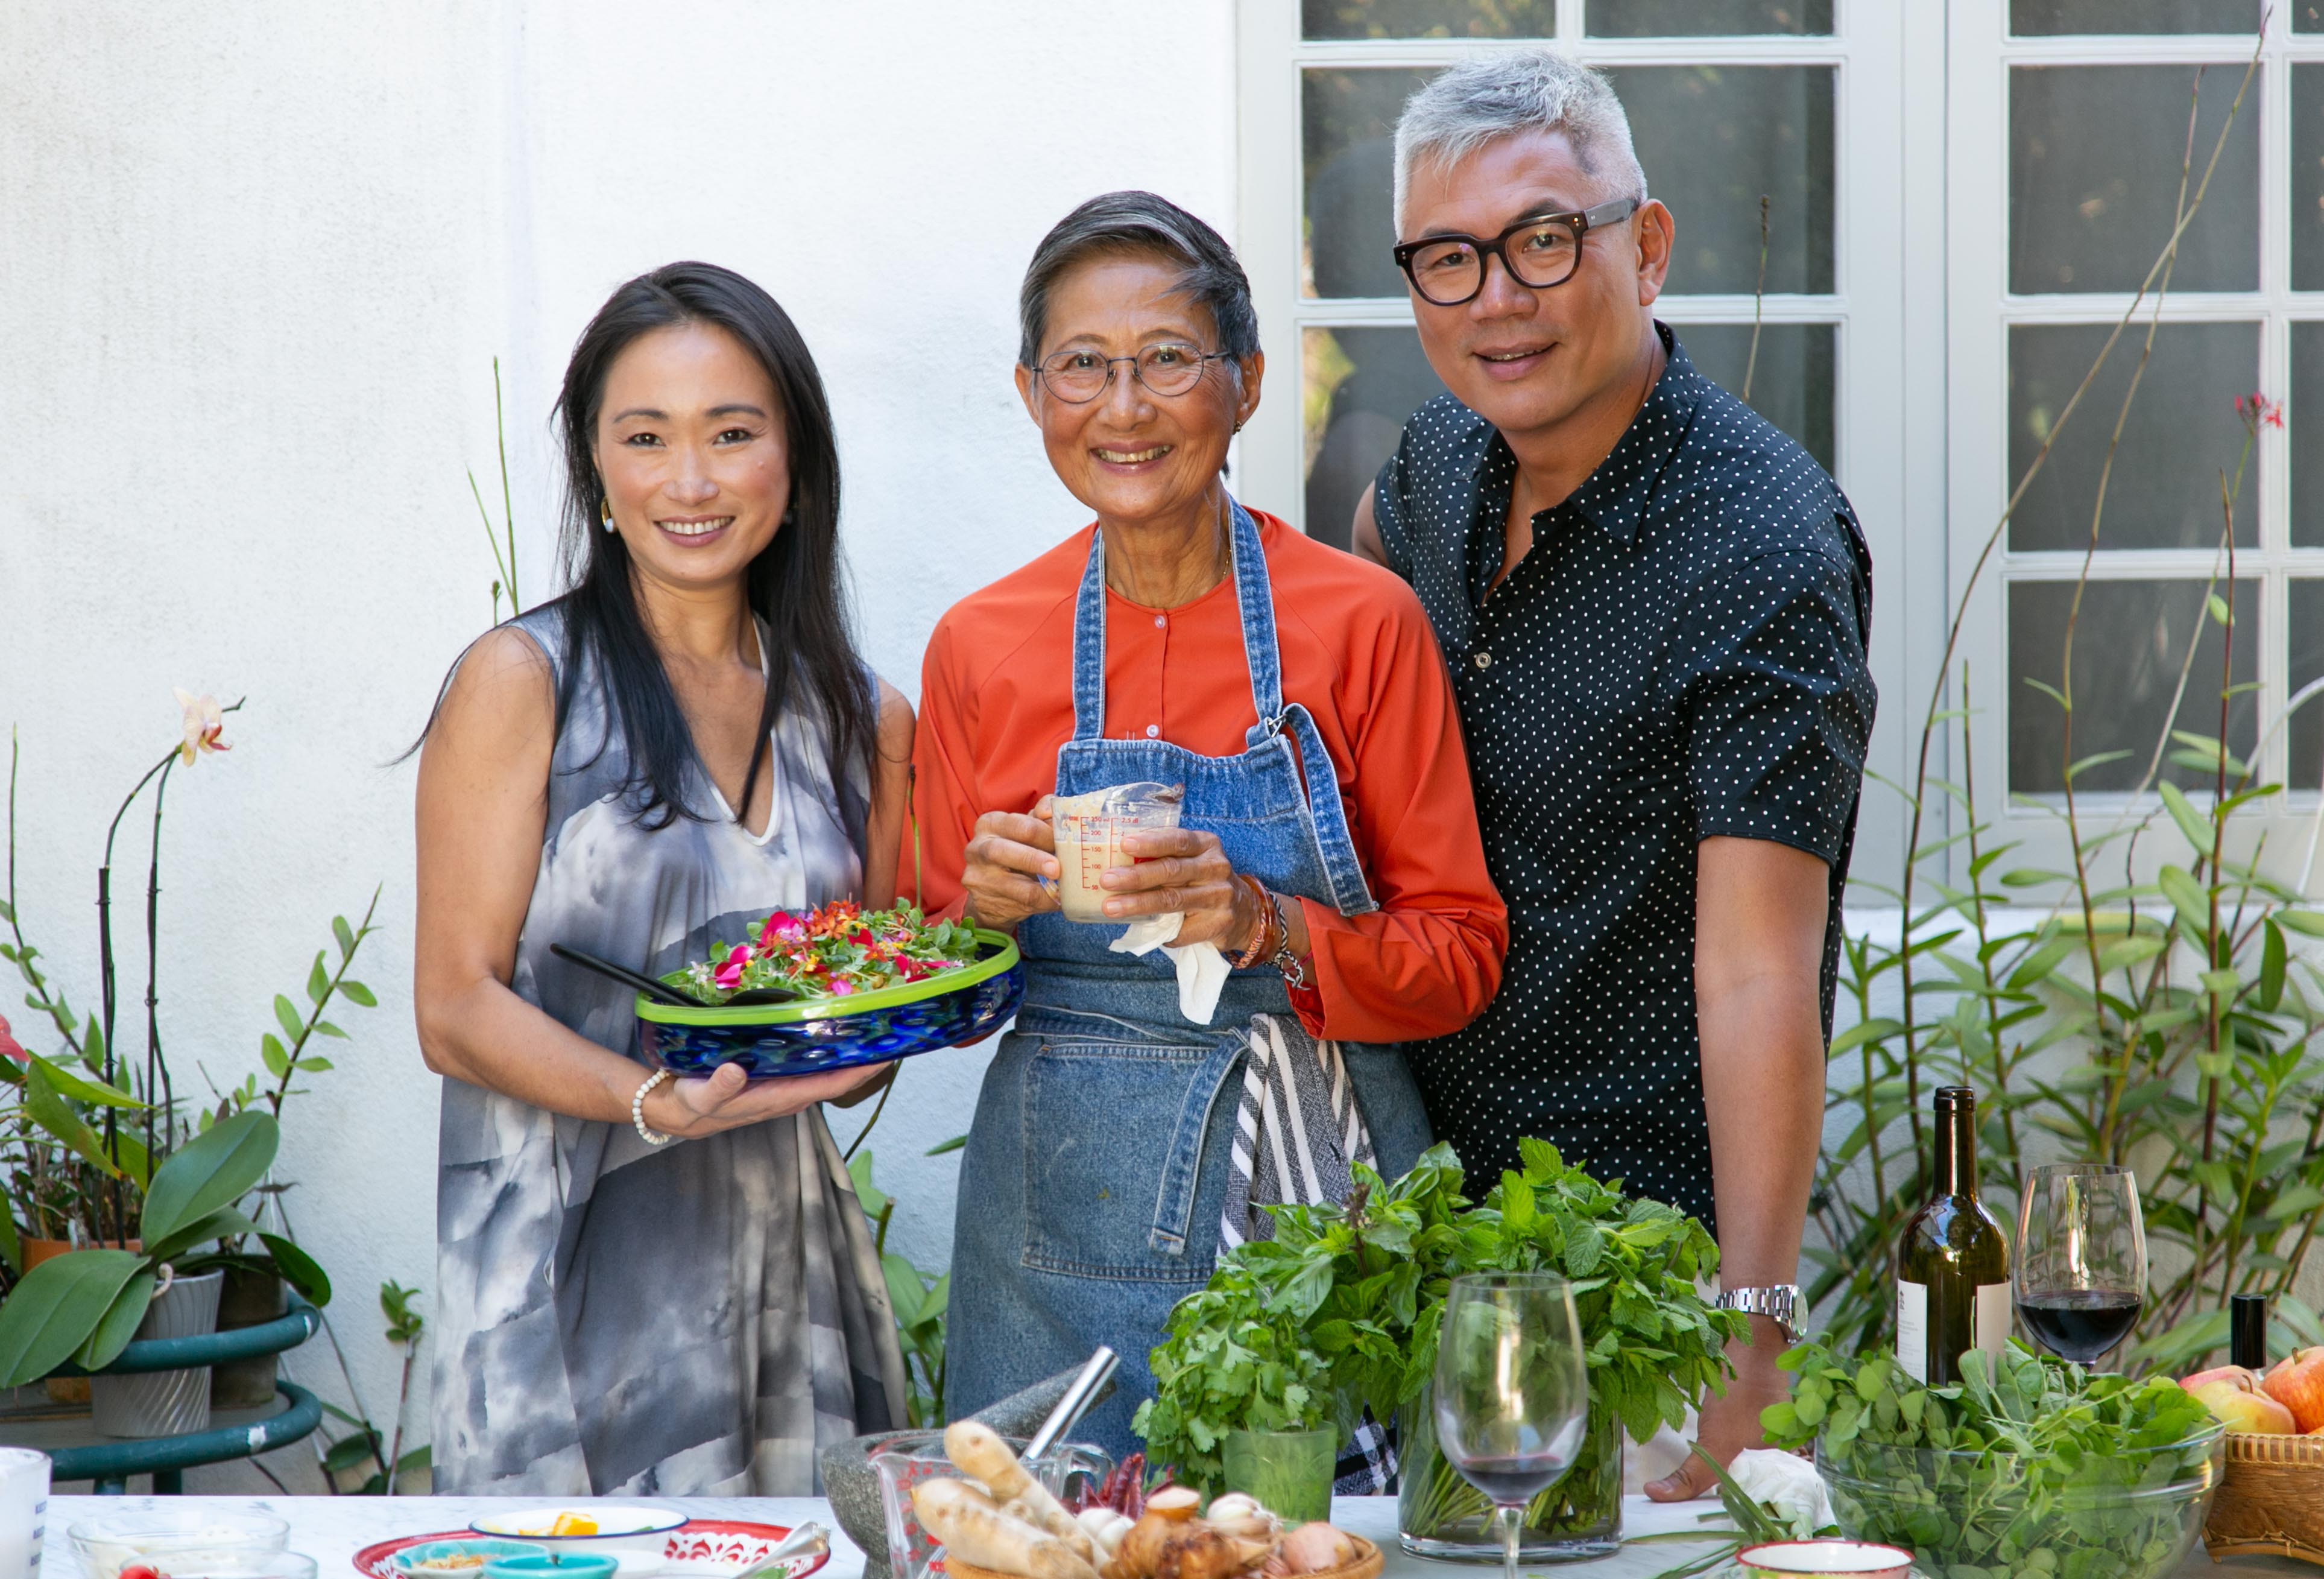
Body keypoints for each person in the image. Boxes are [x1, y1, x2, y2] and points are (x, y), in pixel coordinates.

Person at [1353, 52, 1876, 1499]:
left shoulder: (1760, 550)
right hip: (1423, 1232)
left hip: (1638, 1287)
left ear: (1644, 247)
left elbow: (1761, 973)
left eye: (1541, 239)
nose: (1495, 300)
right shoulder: (1439, 460)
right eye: (1446, 260)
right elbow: (1352, 626)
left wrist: (1751, 1339)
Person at [914, 192, 1508, 1458]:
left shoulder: (1361, 624)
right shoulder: (979, 644)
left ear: (1242, 385)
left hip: (1318, 1216)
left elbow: (1461, 955)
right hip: (1055, 1218)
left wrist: (1262, 920)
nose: (1122, 407)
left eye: (1168, 361)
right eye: (1083, 366)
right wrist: (972, 915)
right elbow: (931, 989)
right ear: (1032, 393)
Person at [412, 262, 915, 1494]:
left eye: (732, 433)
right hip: (558, 1284)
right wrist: (653, 1100)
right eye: (646, 437)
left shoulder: (863, 720)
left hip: (782, 1292)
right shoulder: (525, 681)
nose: (689, 481)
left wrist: (916, 998)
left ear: (793, 465)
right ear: (596, 470)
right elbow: (453, 1006)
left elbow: (861, 1051)